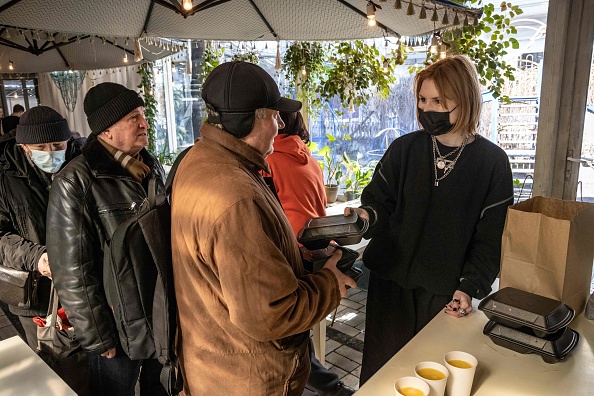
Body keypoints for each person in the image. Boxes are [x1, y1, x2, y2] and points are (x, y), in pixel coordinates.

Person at [171, 61, 356, 396]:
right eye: (274, 115)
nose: (281, 124)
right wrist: (330, 282)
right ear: (251, 119)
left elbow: (234, 274)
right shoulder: (235, 195)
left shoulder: (198, 160)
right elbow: (271, 315)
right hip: (247, 378)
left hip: (215, 365)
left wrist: (306, 263)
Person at [346, 55, 514, 384]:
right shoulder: (405, 149)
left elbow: (490, 237)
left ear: (465, 100)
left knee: (432, 378)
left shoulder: (492, 163)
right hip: (390, 284)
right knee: (382, 373)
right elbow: (379, 202)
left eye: (438, 100)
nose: (427, 109)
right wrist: (366, 217)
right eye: (423, 100)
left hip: (444, 292)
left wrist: (469, 287)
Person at [46, 82, 167, 396]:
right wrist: (97, 336)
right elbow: (71, 270)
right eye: (132, 117)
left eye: (142, 114)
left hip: (160, 315)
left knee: (161, 389)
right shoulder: (76, 181)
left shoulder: (149, 167)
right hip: (117, 327)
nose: (144, 122)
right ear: (106, 130)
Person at [0, 106, 88, 392]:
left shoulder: (81, 163)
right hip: (34, 293)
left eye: (57, 145)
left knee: (91, 364)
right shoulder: (4, 177)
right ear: (24, 147)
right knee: (52, 366)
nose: (51, 153)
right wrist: (37, 257)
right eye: (40, 147)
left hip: (83, 285)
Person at [266, 110, 354, 396]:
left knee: (291, 334)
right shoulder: (308, 158)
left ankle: (332, 390)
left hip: (291, 253)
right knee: (301, 329)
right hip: (316, 249)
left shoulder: (269, 161)